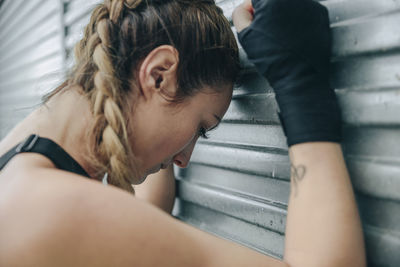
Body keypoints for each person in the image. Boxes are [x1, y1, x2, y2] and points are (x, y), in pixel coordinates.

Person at [0, 0, 366, 266]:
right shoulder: (54, 208)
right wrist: (299, 84)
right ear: (158, 75)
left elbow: (143, 216)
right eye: (200, 128)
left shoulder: (24, 154)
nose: (183, 158)